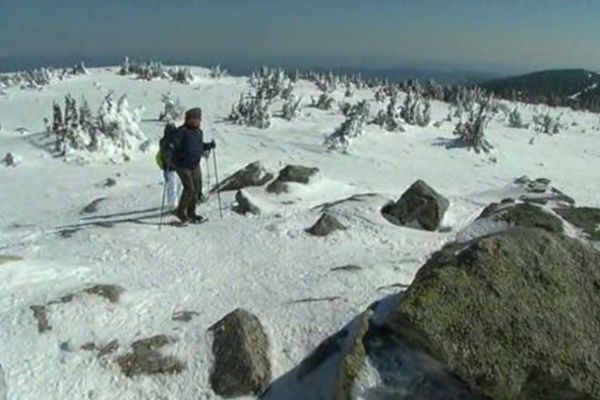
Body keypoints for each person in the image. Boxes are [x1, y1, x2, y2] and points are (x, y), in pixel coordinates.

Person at [163, 107, 216, 224]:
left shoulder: (199, 132)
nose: (198, 121)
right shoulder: (181, 131)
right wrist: (170, 148)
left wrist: (208, 146)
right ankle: (180, 212)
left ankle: (191, 213)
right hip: (181, 164)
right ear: (189, 119)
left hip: (194, 164)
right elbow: (173, 144)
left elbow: (199, 146)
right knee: (189, 188)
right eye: (196, 119)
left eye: (199, 119)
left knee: (196, 189)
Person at [156, 123, 182, 211]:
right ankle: (173, 205)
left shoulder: (163, 141)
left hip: (169, 167)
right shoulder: (169, 142)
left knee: (174, 185)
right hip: (172, 167)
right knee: (174, 186)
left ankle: (174, 203)